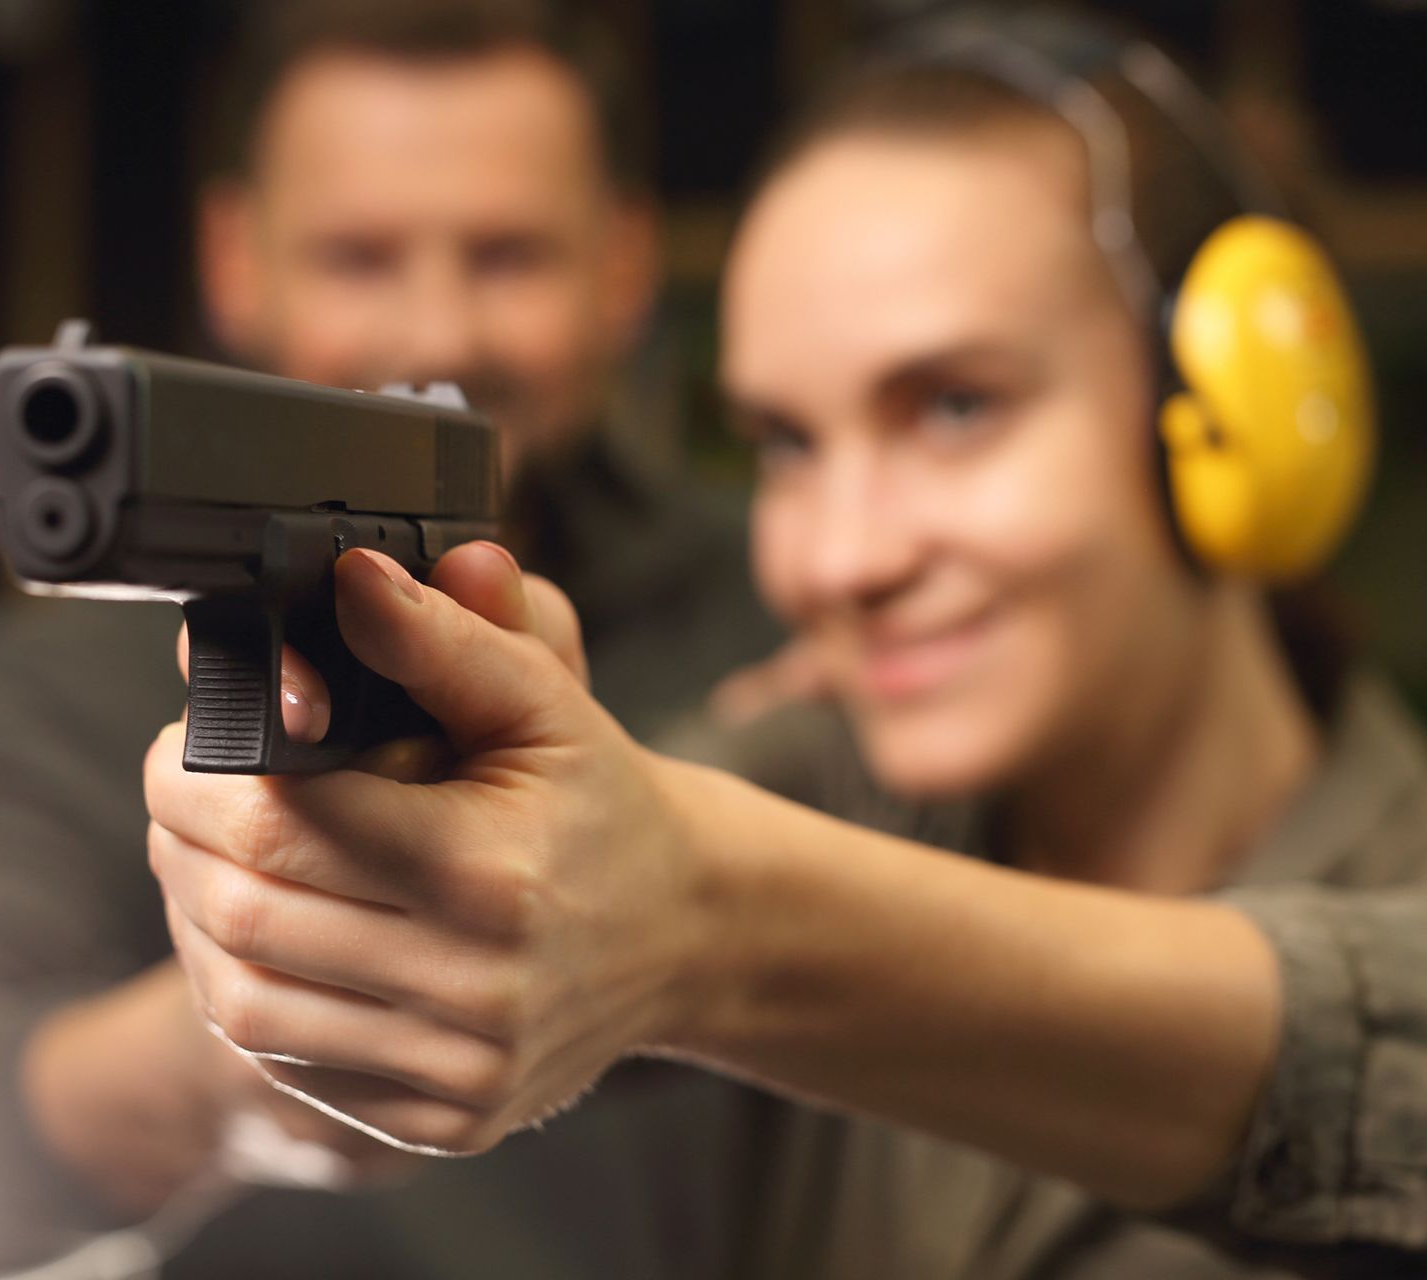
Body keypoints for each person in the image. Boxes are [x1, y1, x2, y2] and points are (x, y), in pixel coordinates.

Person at [144, 13, 1427, 1277]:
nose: (838, 558)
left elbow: (1359, 1034)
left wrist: (705, 921)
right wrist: (380, 865)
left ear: (1238, 413)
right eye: (789, 446)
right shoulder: (830, 776)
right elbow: (554, 887)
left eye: (957, 406)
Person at [0, 0, 780, 1274]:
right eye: (360, 255)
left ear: (626, 266)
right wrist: (218, 1067)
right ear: (235, 263)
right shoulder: (62, 683)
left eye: (508, 255)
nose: (439, 335)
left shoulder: (784, 600)